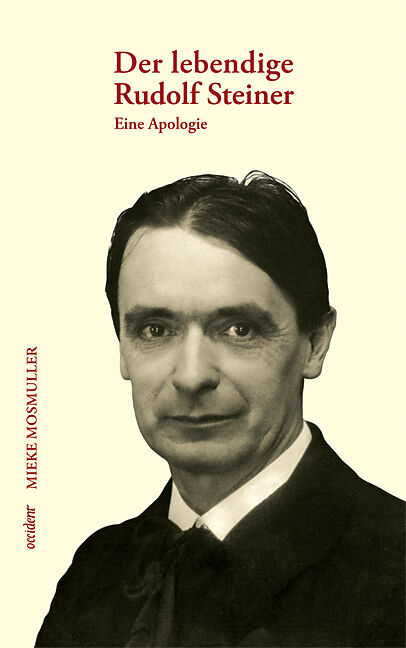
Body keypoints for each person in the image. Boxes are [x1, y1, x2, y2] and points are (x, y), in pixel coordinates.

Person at [36, 172, 405, 648]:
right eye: (155, 330)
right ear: (123, 350)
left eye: (239, 329)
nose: (192, 376)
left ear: (315, 343)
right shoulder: (95, 571)